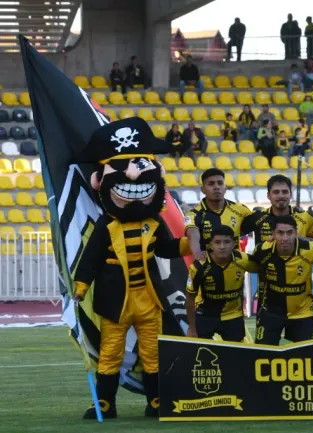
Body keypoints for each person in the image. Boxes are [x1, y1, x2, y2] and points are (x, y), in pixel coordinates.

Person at [72, 118, 192, 419]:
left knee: (152, 352)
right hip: (115, 301)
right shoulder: (106, 225)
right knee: (111, 351)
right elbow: (90, 258)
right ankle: (105, 402)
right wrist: (81, 285)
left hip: (148, 299)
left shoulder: (154, 223)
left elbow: (166, 248)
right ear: (101, 183)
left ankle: (155, 400)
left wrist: (187, 244)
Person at [241, 175, 313, 313]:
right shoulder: (257, 219)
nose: (281, 196)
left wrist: (302, 240)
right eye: (276, 192)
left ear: (291, 194)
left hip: (300, 297)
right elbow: (229, 235)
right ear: (268, 195)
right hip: (268, 294)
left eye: (285, 192)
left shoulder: (305, 218)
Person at [251, 216, 313, 345]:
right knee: (263, 354)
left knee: (304, 356)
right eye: (280, 233)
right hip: (271, 311)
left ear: (296, 232)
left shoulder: (310, 249)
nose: (285, 238)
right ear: (273, 234)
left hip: (303, 311)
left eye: (289, 233)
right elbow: (251, 266)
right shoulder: (262, 250)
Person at [186, 225, 258, 341]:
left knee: (235, 355)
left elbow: (265, 267)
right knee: (200, 354)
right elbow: (190, 298)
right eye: (217, 242)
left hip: (233, 315)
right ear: (211, 245)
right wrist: (192, 329)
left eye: (226, 242)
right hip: (205, 315)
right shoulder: (198, 266)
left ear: (234, 243)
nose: (222, 247)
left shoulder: (243, 260)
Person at [184, 168, 252, 261]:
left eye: (220, 183)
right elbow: (192, 233)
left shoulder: (241, 210)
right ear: (203, 189)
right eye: (211, 184)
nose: (216, 187)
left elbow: (259, 223)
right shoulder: (193, 214)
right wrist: (197, 253)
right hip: (207, 269)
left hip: (235, 269)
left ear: (225, 188)